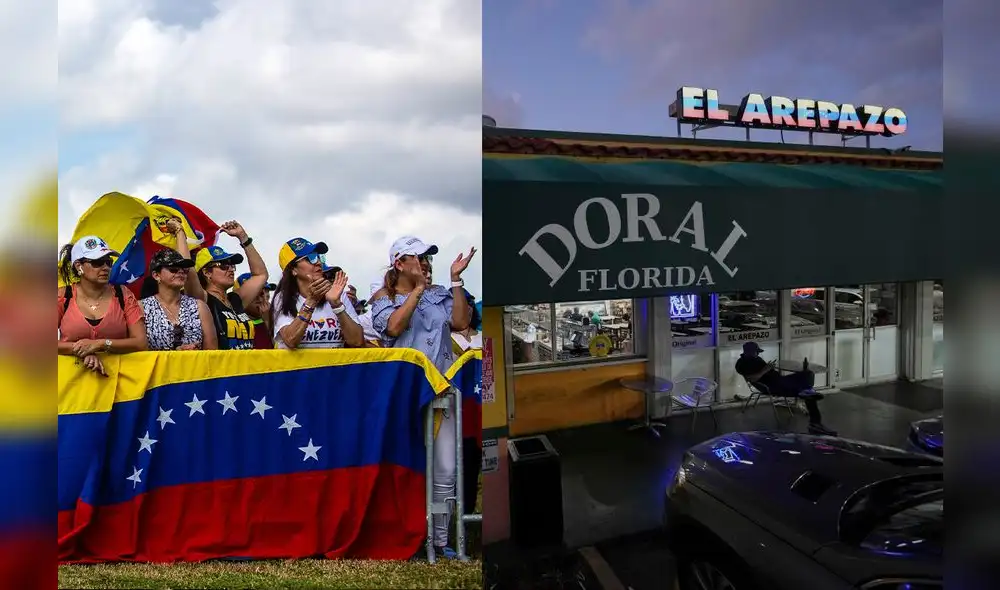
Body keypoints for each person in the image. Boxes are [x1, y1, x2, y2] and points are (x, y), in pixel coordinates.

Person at [371, 236, 476, 559]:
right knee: (406, 467)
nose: (426, 263)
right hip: (404, 393)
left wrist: (456, 279)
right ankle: (409, 535)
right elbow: (392, 328)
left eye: (428, 258)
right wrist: (416, 290)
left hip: (442, 390)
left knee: (445, 466)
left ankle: (440, 540)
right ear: (400, 263)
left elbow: (460, 322)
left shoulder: (440, 295)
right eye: (419, 257)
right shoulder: (382, 299)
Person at [171, 219, 269, 350]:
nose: (230, 269)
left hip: (246, 369)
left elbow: (260, 275)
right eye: (223, 266)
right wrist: (180, 232)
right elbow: (187, 268)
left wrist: (243, 237)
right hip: (221, 369)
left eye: (231, 265)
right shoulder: (202, 299)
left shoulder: (236, 300)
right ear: (206, 272)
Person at [58, 236, 147, 375]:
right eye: (97, 262)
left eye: (108, 262)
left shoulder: (123, 294)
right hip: (70, 383)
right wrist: (83, 351)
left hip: (120, 382)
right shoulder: (62, 296)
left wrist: (101, 344)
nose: (105, 267)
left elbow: (141, 343)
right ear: (78, 266)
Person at [271, 237, 364, 349]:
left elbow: (357, 341)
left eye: (319, 257)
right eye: (311, 258)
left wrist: (337, 305)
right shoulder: (283, 299)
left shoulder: (338, 295)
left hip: (334, 366)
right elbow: (291, 340)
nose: (319, 262)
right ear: (293, 270)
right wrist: (311, 301)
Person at [734, 342, 836, 435]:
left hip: (779, 381)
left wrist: (769, 368)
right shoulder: (742, 364)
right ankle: (815, 422)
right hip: (772, 386)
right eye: (757, 352)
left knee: (808, 374)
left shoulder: (756, 359)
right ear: (750, 352)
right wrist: (766, 369)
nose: (758, 354)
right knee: (808, 392)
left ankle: (807, 393)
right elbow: (752, 378)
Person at [140, 249, 217, 351]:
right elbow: (137, 351)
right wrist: (175, 354)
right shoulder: (142, 307)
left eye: (184, 270)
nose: (181, 272)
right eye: (173, 269)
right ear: (156, 275)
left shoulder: (200, 307)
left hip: (194, 366)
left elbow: (212, 351)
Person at [451, 290, 482, 519]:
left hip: (477, 411)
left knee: (472, 466)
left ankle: (467, 514)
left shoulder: (483, 338)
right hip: (453, 410)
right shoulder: (445, 340)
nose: (467, 308)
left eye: (469, 303)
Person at [236, 272, 277, 349]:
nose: (263, 298)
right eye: (257, 293)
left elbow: (280, 348)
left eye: (265, 292)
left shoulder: (276, 318)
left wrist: (268, 321)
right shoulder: (234, 322)